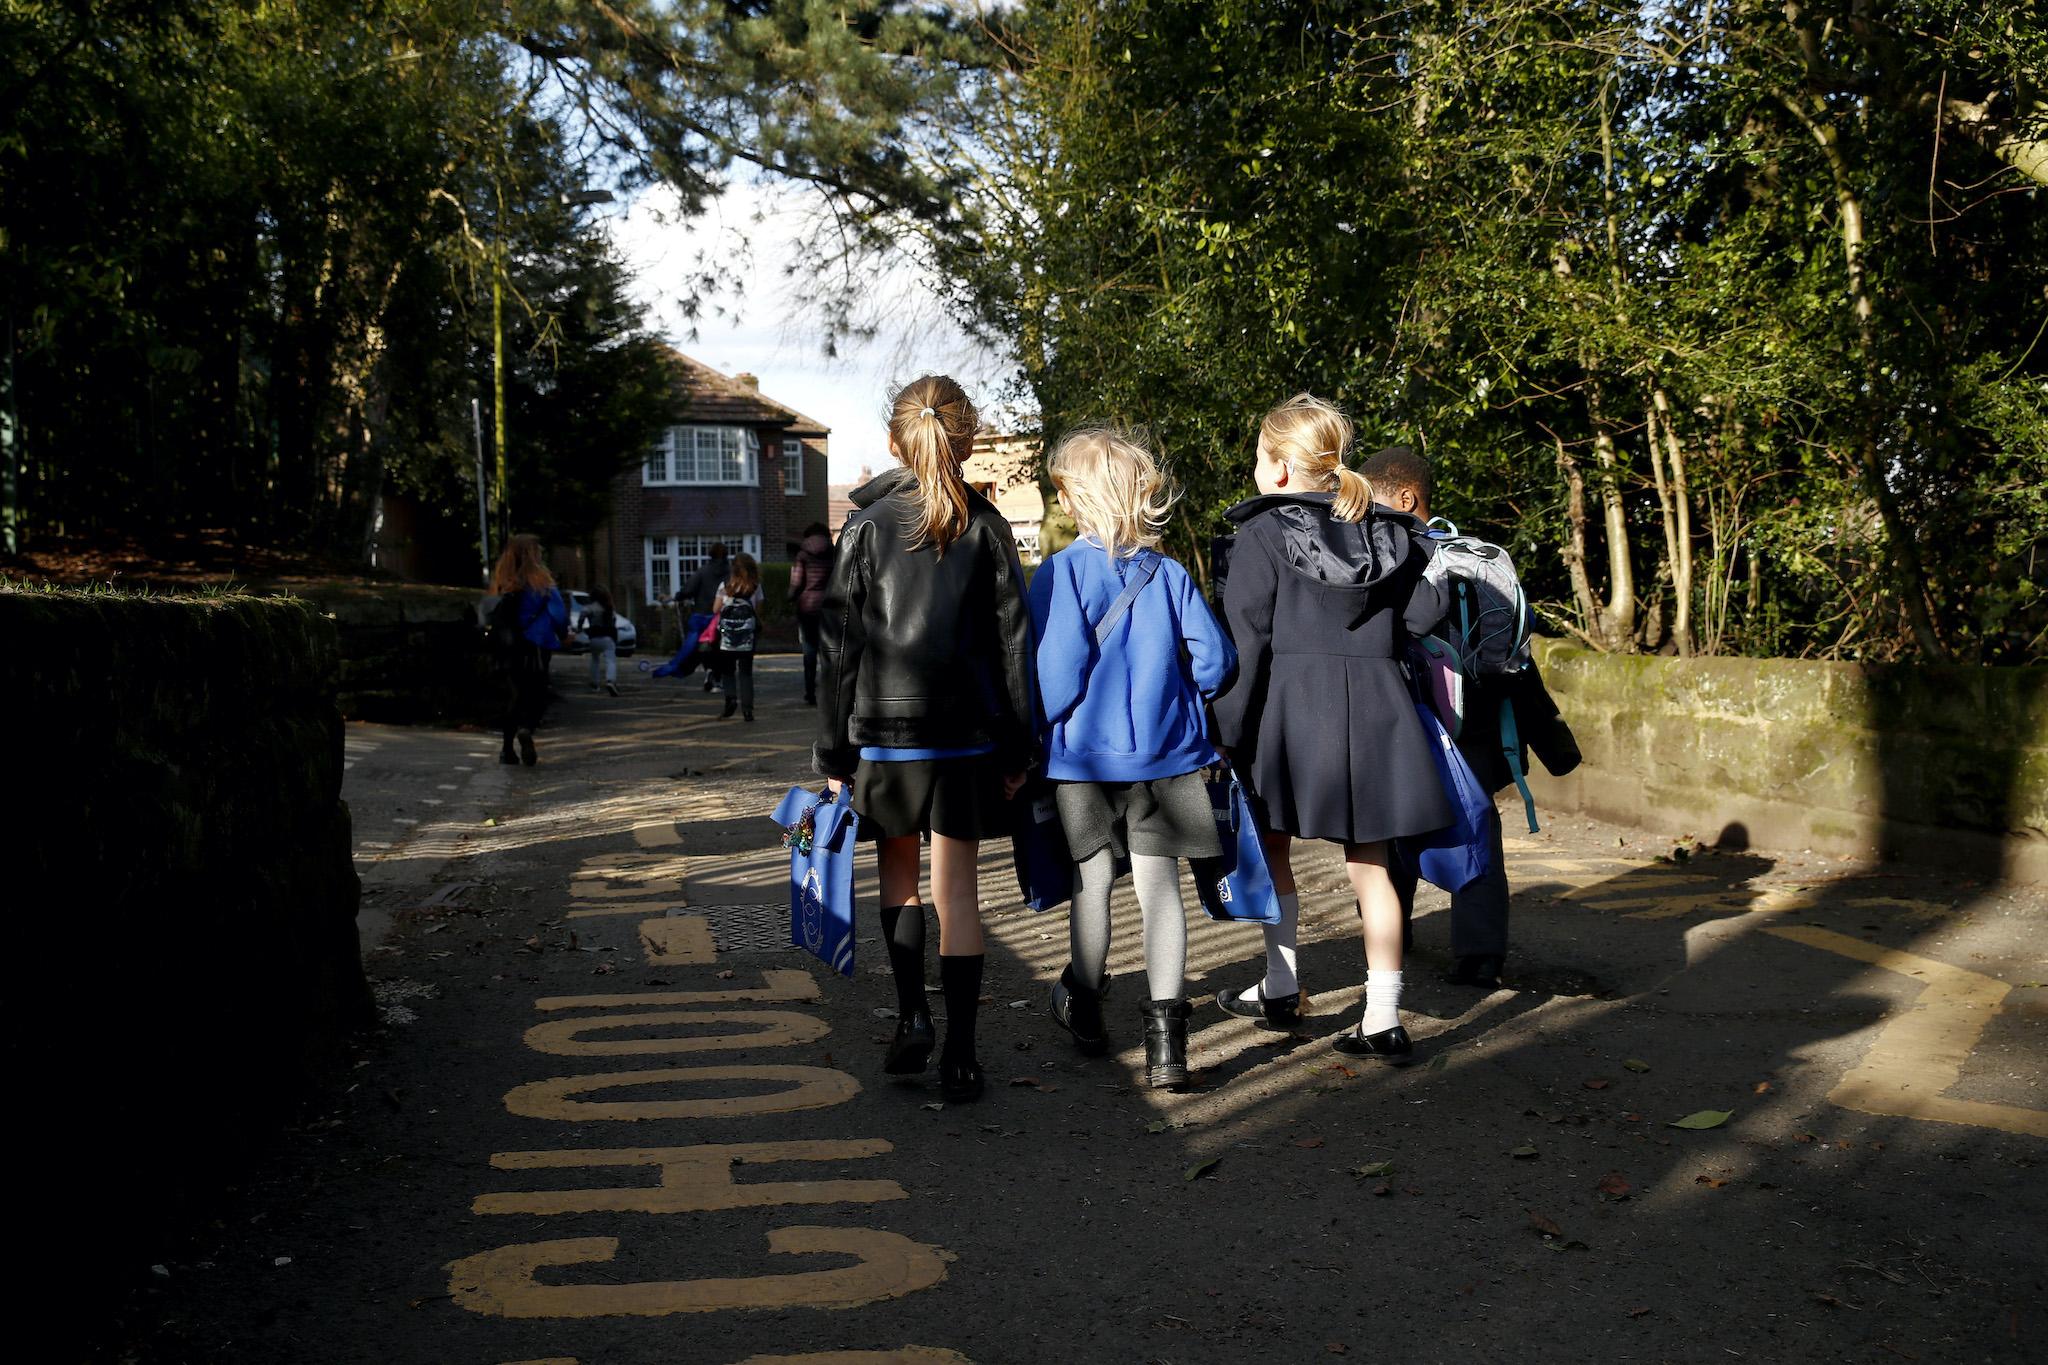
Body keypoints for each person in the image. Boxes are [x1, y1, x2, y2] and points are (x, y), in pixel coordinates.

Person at [1210, 394, 1452, 1062]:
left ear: (1281, 468)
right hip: (1377, 713)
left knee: (1273, 846)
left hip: (1288, 713)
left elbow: (1247, 642)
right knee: (1372, 869)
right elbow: (1424, 615)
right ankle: (1382, 1015)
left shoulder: (1259, 534)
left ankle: (1282, 985)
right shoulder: (1390, 532)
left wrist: (1225, 726)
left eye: (1260, 456)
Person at [813, 374, 1035, 1103]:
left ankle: (911, 1015)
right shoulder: (988, 526)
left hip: (885, 738)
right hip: (967, 739)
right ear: (967, 440)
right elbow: (1014, 645)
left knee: (900, 882)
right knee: (959, 893)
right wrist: (1017, 745)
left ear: (891, 441)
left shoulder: (866, 526)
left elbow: (839, 650)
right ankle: (964, 1056)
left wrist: (834, 757)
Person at [1027, 427, 1236, 1088]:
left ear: (1074, 498)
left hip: (1083, 762)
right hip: (1168, 757)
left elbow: (1054, 671)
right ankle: (1168, 1048)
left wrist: (1045, 728)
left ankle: (1085, 1005)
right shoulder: (1170, 573)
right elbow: (1217, 661)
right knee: (1159, 889)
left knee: (1091, 882)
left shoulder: (1059, 572)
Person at [1359, 445, 1580, 988]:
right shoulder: (1478, 556)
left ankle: (1391, 935)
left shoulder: (1395, 556)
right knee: (1478, 825)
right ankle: (1481, 955)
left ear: (1406, 497)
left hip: (1410, 716)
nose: (1363, 512)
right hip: (1479, 717)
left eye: (1373, 500)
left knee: (1390, 827)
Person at [486, 534, 568, 767]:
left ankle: (506, 750)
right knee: (537, 692)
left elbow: (488, 614)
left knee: (514, 695)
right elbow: (559, 614)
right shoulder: (542, 581)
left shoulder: (501, 582)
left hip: (509, 646)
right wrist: (562, 634)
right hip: (536, 645)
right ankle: (526, 728)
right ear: (534, 554)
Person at [713, 553, 764, 721]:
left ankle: (730, 700)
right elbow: (758, 612)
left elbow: (715, 610)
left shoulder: (725, 586)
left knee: (728, 671)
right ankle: (747, 710)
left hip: (727, 637)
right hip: (747, 638)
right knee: (746, 673)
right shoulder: (755, 587)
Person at [790, 522, 835, 706]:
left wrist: (790, 597)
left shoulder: (802, 554)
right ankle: (829, 690)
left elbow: (796, 582)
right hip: (829, 607)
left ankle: (810, 692)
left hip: (807, 607)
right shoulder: (834, 552)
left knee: (809, 650)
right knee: (829, 650)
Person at [683, 542, 731, 692]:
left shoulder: (703, 571)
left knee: (705, 646)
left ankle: (709, 670)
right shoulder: (730, 573)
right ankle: (718, 678)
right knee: (722, 648)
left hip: (704, 614)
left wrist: (679, 596)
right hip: (724, 615)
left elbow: (689, 589)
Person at [580, 585, 621, 697]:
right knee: (610, 660)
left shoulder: (588, 608)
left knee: (595, 660)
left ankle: (594, 683)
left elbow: (581, 619)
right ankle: (610, 681)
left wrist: (580, 629)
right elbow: (613, 623)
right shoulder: (609, 607)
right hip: (608, 637)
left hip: (594, 638)